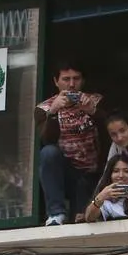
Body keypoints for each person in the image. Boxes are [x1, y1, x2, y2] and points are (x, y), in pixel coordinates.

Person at [36, 60, 104, 226]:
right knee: (48, 152)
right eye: (66, 79)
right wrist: (53, 112)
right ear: (55, 81)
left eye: (76, 79)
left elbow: (114, 131)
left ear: (83, 80)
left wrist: (93, 111)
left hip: (94, 174)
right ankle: (55, 214)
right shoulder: (44, 108)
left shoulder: (95, 101)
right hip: (67, 174)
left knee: (83, 222)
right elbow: (45, 140)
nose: (72, 84)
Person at [83, 153, 128, 222]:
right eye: (116, 171)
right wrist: (100, 197)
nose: (121, 175)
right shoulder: (105, 200)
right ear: (110, 175)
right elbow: (89, 218)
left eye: (126, 171)